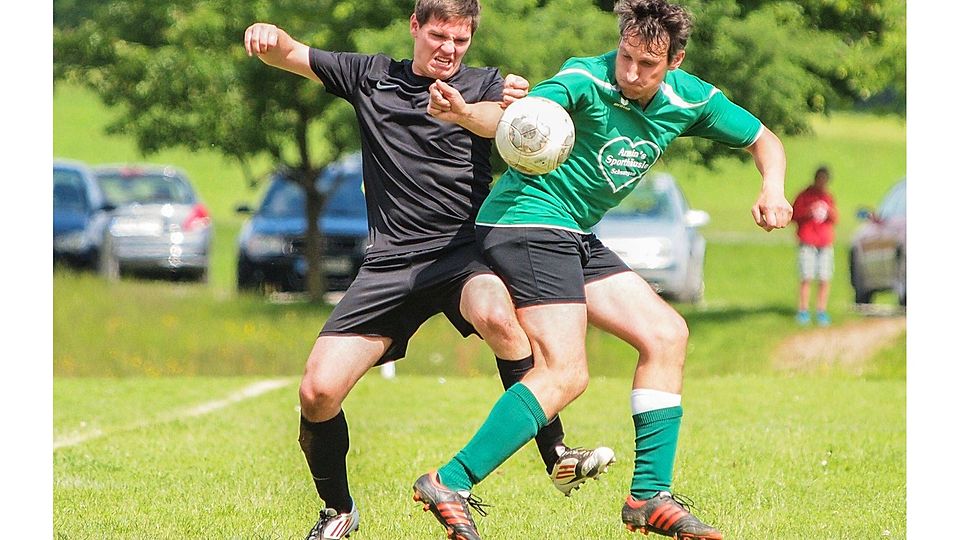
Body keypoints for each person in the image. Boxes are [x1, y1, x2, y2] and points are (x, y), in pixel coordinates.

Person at [413, 1, 793, 538]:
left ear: (675, 62)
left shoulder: (691, 100)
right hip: (527, 222)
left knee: (666, 334)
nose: (631, 73)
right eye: (626, 57)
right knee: (566, 373)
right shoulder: (584, 78)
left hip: (573, 232)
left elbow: (764, 140)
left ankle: (647, 497)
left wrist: (772, 188)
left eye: (647, 65)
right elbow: (517, 119)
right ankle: (451, 480)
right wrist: (465, 114)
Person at [242, 2, 615, 539]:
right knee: (317, 392)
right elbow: (292, 54)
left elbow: (499, 124)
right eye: (439, 36)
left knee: (499, 317)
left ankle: (555, 452)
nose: (449, 49)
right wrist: (268, 36)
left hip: (464, 254)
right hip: (390, 265)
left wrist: (471, 109)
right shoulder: (370, 76)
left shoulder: (487, 85)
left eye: (460, 41)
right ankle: (338, 509)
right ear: (415, 27)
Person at [791, 165, 837, 326]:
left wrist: (830, 211)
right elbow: (793, 215)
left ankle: (821, 310)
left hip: (824, 241)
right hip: (808, 240)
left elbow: (835, 219)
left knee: (824, 277)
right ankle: (803, 310)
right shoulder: (804, 196)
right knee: (806, 276)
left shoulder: (828, 197)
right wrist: (807, 212)